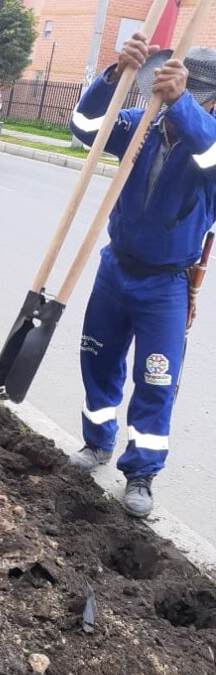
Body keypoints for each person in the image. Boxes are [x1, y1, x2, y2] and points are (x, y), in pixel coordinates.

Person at [68, 33, 216, 518]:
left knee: (156, 380)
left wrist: (183, 108)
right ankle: (96, 443)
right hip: (117, 269)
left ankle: (141, 474)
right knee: (98, 358)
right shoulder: (142, 126)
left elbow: (207, 154)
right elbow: (85, 126)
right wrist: (115, 77)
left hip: (166, 285)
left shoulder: (207, 141)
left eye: (191, 96)